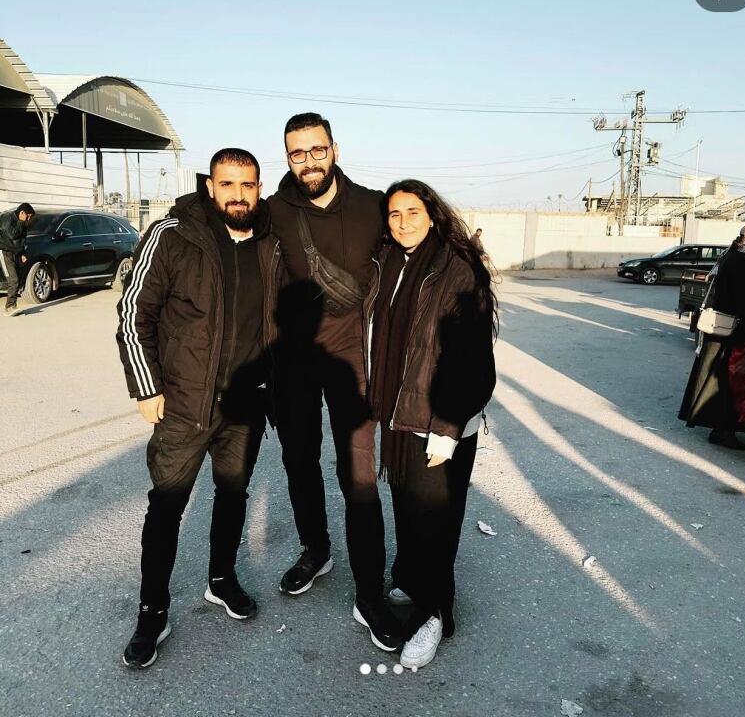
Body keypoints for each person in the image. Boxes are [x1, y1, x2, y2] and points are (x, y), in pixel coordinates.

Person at [116, 148, 275, 669]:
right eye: (227, 184)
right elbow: (134, 310)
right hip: (183, 404)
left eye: (247, 185)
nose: (237, 194)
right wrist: (147, 387)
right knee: (166, 508)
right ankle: (152, 611)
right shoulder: (175, 233)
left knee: (233, 495)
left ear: (257, 187)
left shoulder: (268, 240)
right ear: (211, 186)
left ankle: (221, 579)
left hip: (244, 405)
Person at [267, 112, 403, 652]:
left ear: (335, 149)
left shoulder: (373, 204)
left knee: (359, 477)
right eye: (298, 154)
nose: (309, 162)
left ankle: (369, 592)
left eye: (317, 150)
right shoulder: (273, 211)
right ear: (287, 158)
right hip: (294, 364)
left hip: (355, 363)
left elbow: (421, 247)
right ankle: (316, 549)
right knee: (299, 462)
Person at [367, 179, 497, 669]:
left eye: (413, 213)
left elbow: (472, 360)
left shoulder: (456, 269)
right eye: (395, 214)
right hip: (399, 414)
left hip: (440, 421)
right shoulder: (387, 264)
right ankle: (408, 577)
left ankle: (436, 613)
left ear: (432, 215)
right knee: (405, 503)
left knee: (437, 523)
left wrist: (447, 425)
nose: (403, 223)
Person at [679, 219, 745, 450]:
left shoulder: (737, 254)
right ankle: (723, 431)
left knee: (736, 381)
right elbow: (743, 302)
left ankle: (737, 422)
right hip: (734, 332)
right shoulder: (743, 261)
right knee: (730, 383)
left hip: (729, 331)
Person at [0, 202, 35, 317]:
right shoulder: (7, 218)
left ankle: (12, 306)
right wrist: (21, 222)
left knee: (16, 279)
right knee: (13, 279)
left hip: (15, 253)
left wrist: (22, 253)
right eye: (28, 216)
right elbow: (12, 235)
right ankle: (8, 307)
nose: (28, 219)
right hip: (4, 252)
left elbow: (22, 239)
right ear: (22, 212)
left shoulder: (22, 222)